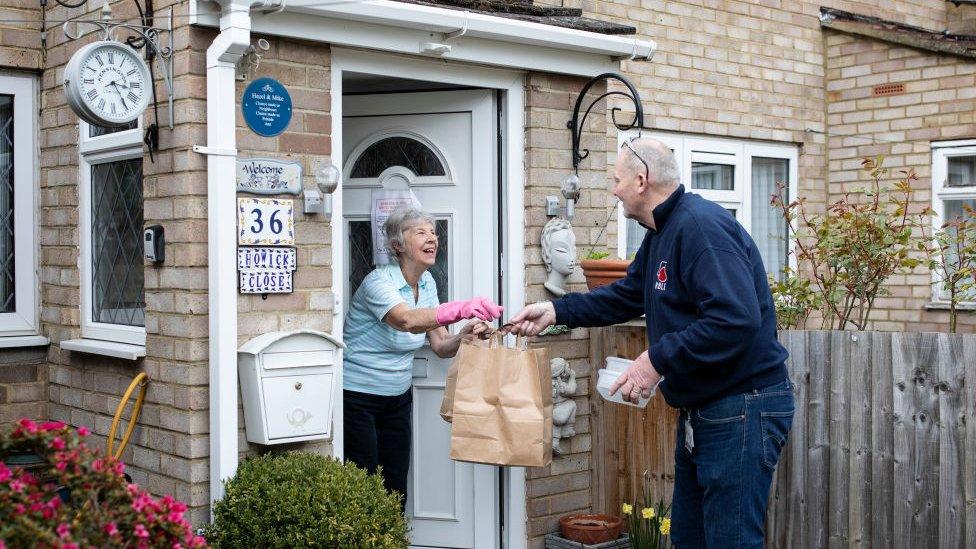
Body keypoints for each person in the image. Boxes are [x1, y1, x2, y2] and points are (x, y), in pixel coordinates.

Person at [507, 137, 794, 547]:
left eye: (617, 179)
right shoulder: (661, 232)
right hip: (706, 410)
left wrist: (655, 360)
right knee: (689, 539)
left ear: (641, 180)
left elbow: (736, 319)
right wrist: (557, 312)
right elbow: (627, 294)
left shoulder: (700, 228)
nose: (613, 189)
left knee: (731, 541)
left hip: (742, 407)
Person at [343, 206, 502, 509]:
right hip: (358, 399)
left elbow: (440, 344)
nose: (432, 238)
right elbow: (406, 320)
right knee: (362, 485)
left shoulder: (427, 283)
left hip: (398, 399)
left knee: (394, 485)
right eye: (421, 232)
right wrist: (463, 307)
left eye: (433, 232)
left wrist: (464, 335)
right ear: (397, 245)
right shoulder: (378, 282)